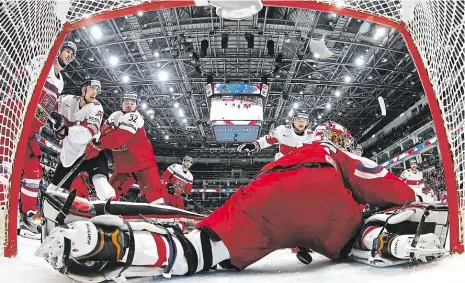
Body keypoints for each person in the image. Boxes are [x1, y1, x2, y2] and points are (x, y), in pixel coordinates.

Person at [37, 121, 446, 282]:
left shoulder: (293, 153)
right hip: (323, 197)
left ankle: (120, 245)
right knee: (357, 231)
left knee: (197, 246)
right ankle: (385, 237)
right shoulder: (330, 149)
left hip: (261, 196)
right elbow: (379, 181)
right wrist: (408, 199)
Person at [0, 41, 77, 239]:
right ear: (58, 50)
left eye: (71, 54)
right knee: (5, 169)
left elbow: (47, 106)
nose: (68, 56)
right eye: (67, 51)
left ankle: (25, 217)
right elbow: (18, 83)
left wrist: (55, 118)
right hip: (14, 119)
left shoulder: (60, 82)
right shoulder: (41, 62)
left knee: (34, 172)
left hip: (31, 131)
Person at [84, 92, 164, 204]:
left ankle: (168, 219)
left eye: (132, 103)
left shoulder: (135, 117)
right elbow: (102, 132)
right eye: (126, 102)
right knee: (108, 195)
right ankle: (101, 214)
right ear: (121, 103)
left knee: (155, 197)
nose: (129, 105)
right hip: (124, 167)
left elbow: (118, 138)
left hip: (143, 165)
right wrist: (95, 139)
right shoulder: (114, 116)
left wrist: (98, 144)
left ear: (136, 106)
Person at [46, 79, 115, 201]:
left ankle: (111, 209)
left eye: (97, 90)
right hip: (70, 154)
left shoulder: (96, 108)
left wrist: (64, 131)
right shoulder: (67, 100)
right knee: (54, 188)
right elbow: (48, 104)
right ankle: (45, 210)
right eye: (92, 89)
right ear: (83, 90)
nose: (95, 92)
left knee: (100, 181)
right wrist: (51, 116)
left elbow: (87, 134)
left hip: (91, 152)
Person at [237, 109, 313, 160]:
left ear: (307, 122)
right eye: (299, 120)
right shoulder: (283, 130)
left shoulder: (312, 136)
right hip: (283, 166)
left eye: (304, 120)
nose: (301, 123)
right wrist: (254, 145)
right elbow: (268, 140)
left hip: (301, 167)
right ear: (293, 120)